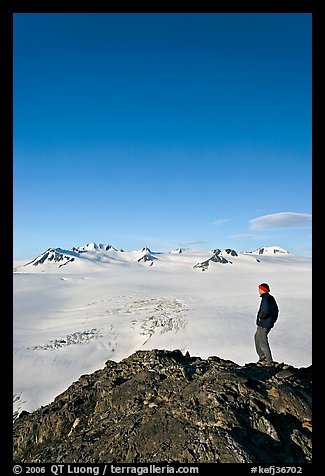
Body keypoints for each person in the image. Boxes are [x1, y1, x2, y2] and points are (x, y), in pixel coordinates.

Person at [255, 283, 279, 366]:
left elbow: (265, 311)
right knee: (257, 337)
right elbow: (276, 310)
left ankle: (268, 360)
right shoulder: (271, 298)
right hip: (268, 323)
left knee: (262, 341)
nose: (258, 290)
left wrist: (261, 318)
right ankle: (263, 357)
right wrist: (273, 320)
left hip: (263, 324)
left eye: (260, 289)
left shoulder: (265, 299)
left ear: (263, 290)